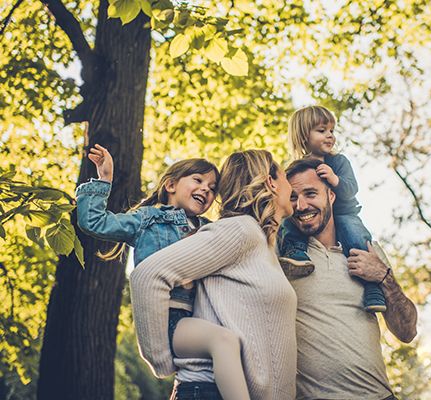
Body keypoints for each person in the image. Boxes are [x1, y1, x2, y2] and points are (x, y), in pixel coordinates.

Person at [76, 144, 251, 400]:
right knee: (223, 341)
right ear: (171, 185)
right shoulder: (148, 219)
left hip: (200, 316)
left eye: (213, 189)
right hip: (169, 320)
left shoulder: (209, 229)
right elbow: (94, 222)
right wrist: (104, 179)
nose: (206, 189)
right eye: (198, 180)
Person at [129, 149, 297, 400]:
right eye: (286, 178)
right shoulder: (239, 230)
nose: (291, 188)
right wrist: (161, 359)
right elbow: (147, 275)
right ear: (271, 182)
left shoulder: (261, 242)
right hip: (208, 391)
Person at [284, 157, 418, 399]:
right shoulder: (284, 256)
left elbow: (407, 331)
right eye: (293, 197)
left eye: (310, 194)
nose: (301, 205)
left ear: (332, 196)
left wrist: (383, 276)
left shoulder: (368, 251)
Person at [279, 105, 387, 313]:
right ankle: (296, 252)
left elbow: (352, 189)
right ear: (303, 136)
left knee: (356, 237)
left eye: (331, 131)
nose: (330, 136)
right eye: (322, 131)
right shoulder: (295, 168)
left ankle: (372, 288)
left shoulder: (338, 162)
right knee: (288, 221)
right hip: (312, 219)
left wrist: (335, 179)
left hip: (343, 214)